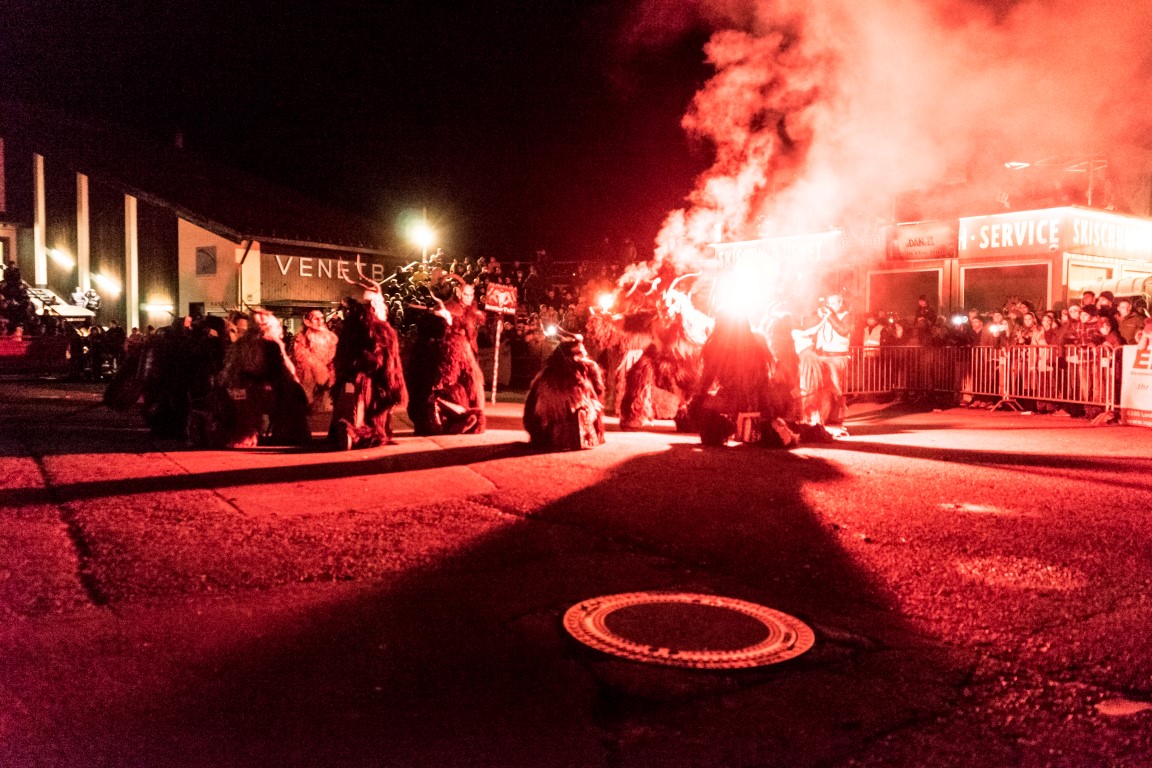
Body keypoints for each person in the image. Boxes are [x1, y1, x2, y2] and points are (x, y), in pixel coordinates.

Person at [523, 330, 606, 450]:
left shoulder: (547, 372)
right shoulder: (586, 368)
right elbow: (598, 391)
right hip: (560, 419)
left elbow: (531, 409)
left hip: (554, 427)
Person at [801, 292, 852, 431]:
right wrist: (818, 316)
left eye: (833, 303)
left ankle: (836, 421)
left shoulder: (846, 316)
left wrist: (830, 315)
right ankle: (823, 419)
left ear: (841, 303)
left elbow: (844, 330)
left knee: (836, 390)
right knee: (823, 390)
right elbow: (808, 327)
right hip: (823, 357)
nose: (830, 306)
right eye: (828, 303)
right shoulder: (825, 315)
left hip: (838, 357)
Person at [292, 309, 339, 413]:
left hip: (326, 380)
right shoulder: (302, 338)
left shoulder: (330, 337)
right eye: (315, 319)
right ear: (308, 321)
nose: (320, 321)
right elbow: (299, 359)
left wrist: (329, 374)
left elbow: (332, 357)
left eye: (321, 318)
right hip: (308, 379)